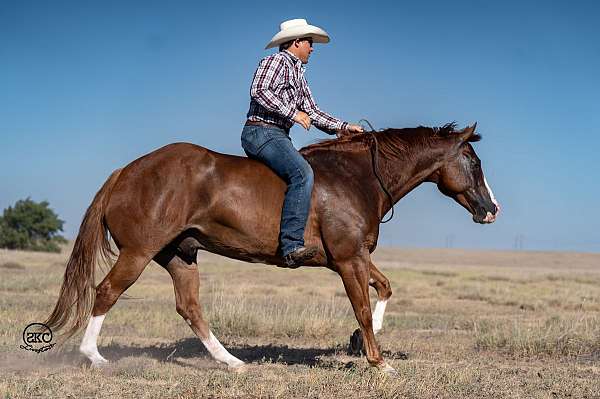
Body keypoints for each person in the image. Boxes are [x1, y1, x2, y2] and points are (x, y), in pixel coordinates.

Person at [241, 18, 363, 268]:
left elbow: (313, 111)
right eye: (309, 42)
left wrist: (343, 127)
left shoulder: (299, 75)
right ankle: (291, 245)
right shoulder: (275, 61)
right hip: (261, 132)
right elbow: (260, 90)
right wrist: (292, 113)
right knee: (302, 173)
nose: (312, 47)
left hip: (276, 135)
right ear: (296, 42)